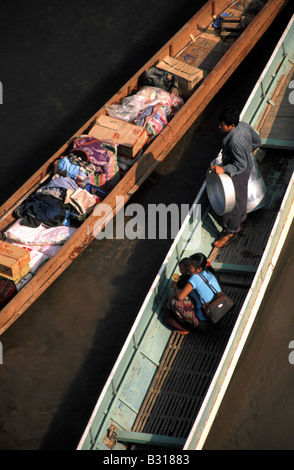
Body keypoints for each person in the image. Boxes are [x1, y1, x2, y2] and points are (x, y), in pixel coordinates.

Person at [211, 106, 261, 248]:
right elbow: (257, 141)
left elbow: (240, 165)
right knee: (241, 196)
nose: (219, 126)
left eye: (222, 125)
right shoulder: (244, 126)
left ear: (232, 126)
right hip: (245, 166)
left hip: (239, 171)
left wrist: (223, 168)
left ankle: (231, 232)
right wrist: (246, 152)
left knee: (234, 203)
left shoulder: (235, 142)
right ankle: (240, 222)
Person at [164, 253, 221, 334]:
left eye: (190, 267)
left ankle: (187, 329)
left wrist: (174, 287)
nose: (187, 268)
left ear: (199, 269)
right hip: (219, 314)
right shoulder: (209, 273)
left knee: (173, 301)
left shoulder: (195, 278)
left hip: (207, 323)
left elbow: (180, 297)